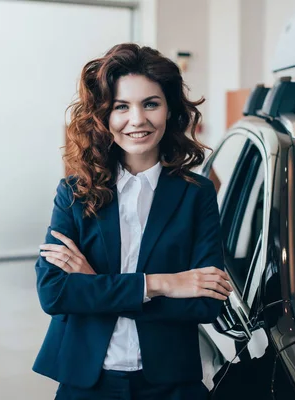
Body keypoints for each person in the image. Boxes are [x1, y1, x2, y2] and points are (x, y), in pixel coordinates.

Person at [33, 43, 232, 400]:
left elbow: (205, 303)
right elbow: (54, 292)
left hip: (171, 382)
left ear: (170, 110)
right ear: (104, 117)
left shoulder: (196, 194)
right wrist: (164, 283)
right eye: (121, 107)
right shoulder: (75, 193)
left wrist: (97, 286)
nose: (137, 120)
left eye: (150, 104)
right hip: (88, 380)